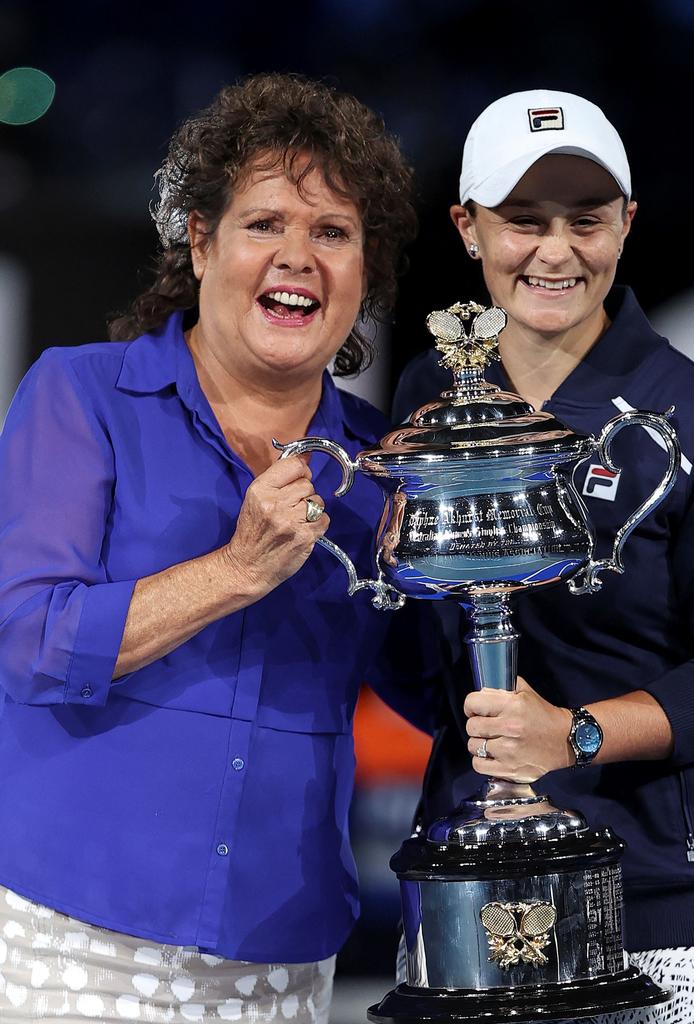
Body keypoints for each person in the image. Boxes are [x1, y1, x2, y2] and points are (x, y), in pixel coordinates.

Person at [0, 73, 435, 1023]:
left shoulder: (380, 469)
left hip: (280, 957)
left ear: (367, 273)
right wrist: (235, 571)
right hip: (74, 933)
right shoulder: (83, 398)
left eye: (333, 232)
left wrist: (431, 577)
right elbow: (29, 640)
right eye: (264, 223)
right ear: (198, 242)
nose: (299, 256)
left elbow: (423, 692)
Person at [393, 89, 694, 1023]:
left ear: (627, 226)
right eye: (523, 220)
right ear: (467, 228)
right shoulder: (429, 401)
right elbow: (425, 655)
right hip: (463, 901)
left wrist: (573, 735)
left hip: (667, 921)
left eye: (586, 221)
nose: (555, 251)